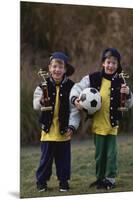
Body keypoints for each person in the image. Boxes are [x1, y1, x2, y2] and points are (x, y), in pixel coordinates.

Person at [69, 48, 133, 190]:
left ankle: (110, 179)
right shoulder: (93, 78)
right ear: (103, 63)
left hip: (111, 125)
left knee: (111, 155)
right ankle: (100, 179)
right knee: (99, 155)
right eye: (108, 62)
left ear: (118, 65)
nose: (111, 66)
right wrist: (75, 100)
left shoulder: (121, 82)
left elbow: (129, 104)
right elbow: (76, 88)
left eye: (114, 63)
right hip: (98, 125)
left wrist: (128, 94)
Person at [33, 52, 77, 192]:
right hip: (48, 130)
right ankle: (41, 182)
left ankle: (63, 182)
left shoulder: (72, 87)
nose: (57, 70)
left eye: (60, 67)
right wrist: (40, 101)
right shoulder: (42, 86)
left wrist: (72, 126)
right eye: (54, 66)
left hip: (63, 130)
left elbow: (74, 110)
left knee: (63, 159)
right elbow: (35, 104)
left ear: (65, 69)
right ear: (49, 68)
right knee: (45, 160)